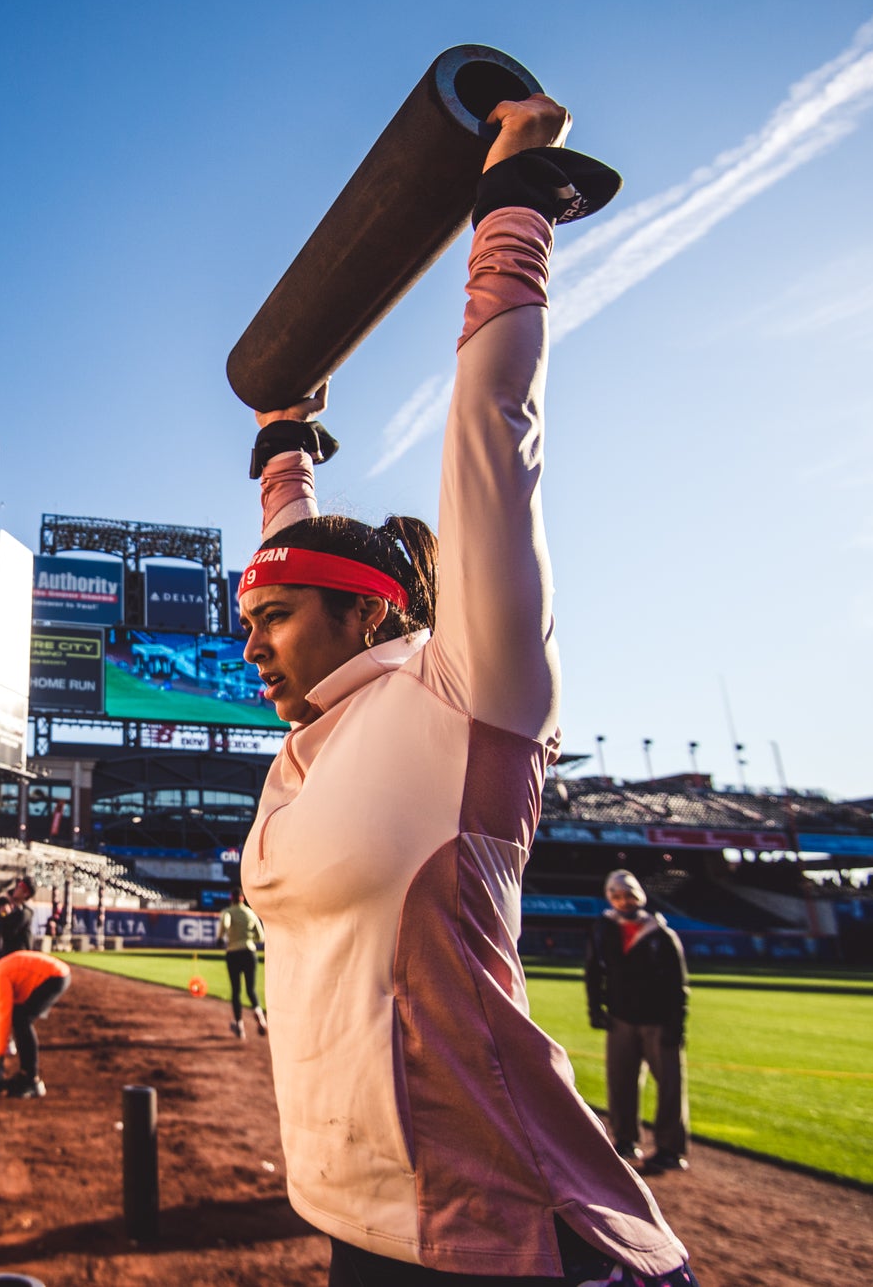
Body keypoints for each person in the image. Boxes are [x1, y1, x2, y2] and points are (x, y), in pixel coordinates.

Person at [237, 94, 696, 1286]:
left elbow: (494, 432)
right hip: (364, 1227)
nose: (251, 647)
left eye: (273, 619)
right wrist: (282, 443)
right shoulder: (310, 751)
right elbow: (295, 560)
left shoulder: (463, 693)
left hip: (513, 1240)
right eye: (249, 622)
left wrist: (510, 213)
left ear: (372, 612)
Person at [586, 869, 690, 1174]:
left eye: (628, 895)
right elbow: (594, 970)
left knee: (671, 1086)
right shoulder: (603, 928)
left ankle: (670, 1148)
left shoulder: (660, 933)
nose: (623, 901)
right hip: (620, 1019)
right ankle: (625, 1140)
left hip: (659, 1021)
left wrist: (677, 1025)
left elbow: (677, 984)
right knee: (621, 1084)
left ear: (639, 897)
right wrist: (596, 1007)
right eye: (616, 896)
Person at [0, 949, 71, 1099]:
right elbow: (1, 1015)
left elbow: (3, 1016)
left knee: (22, 1021)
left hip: (55, 976)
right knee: (19, 1018)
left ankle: (32, 1081)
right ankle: (26, 1073)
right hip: (54, 974)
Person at [217, 888, 267, 1038]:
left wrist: (221, 937)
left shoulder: (228, 912)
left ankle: (239, 1025)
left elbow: (225, 924)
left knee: (236, 990)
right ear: (242, 899)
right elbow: (261, 937)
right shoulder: (251, 913)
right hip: (249, 952)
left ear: (231, 898)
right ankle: (259, 1014)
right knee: (251, 989)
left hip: (233, 953)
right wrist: (248, 937)